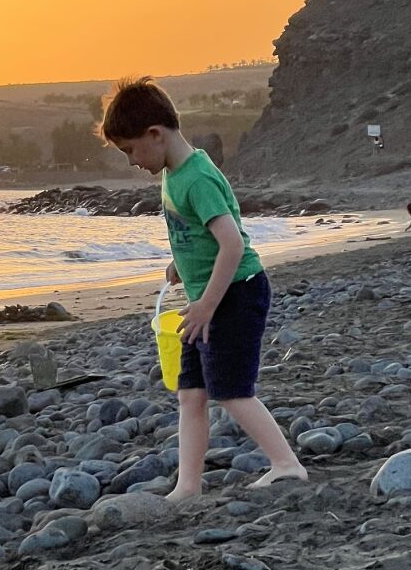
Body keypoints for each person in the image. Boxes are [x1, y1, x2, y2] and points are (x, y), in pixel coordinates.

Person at [99, 77, 307, 501]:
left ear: (155, 134)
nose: (132, 161)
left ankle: (287, 465)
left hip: (235, 294)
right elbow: (199, 232)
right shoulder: (175, 174)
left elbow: (232, 243)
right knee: (190, 393)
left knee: (231, 391)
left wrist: (207, 306)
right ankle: (188, 486)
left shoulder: (196, 179)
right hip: (207, 299)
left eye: (130, 150)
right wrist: (181, 263)